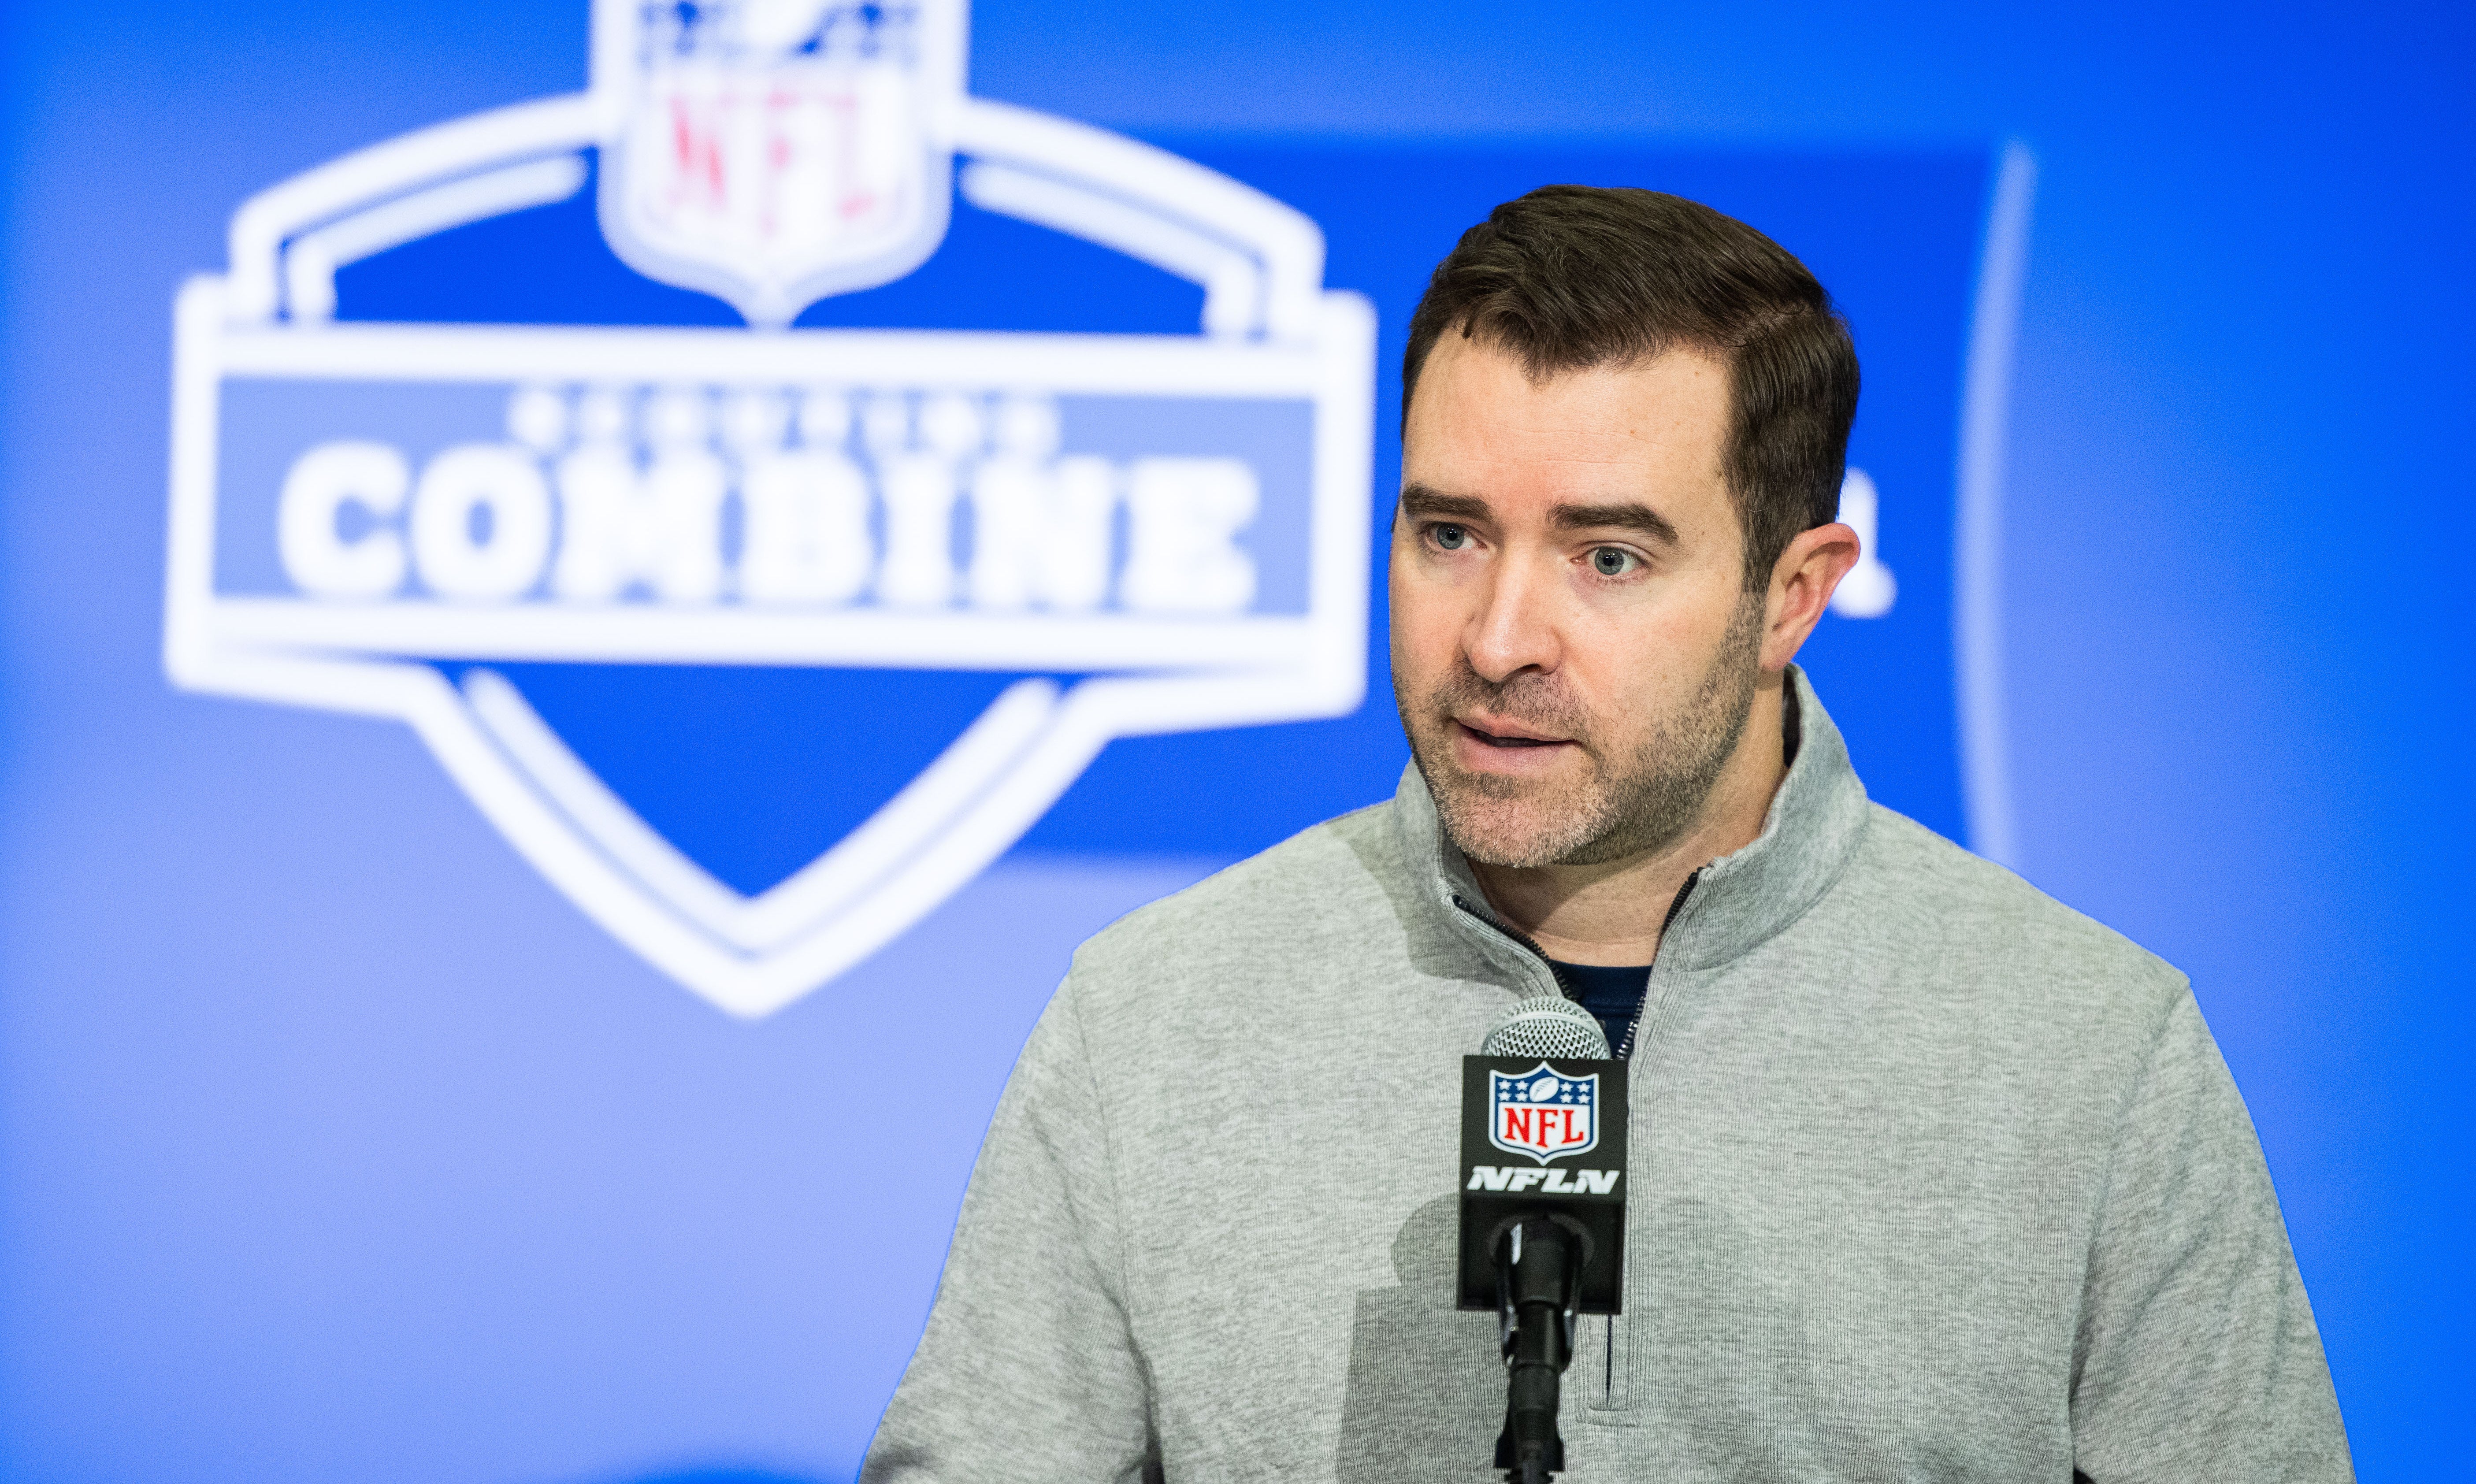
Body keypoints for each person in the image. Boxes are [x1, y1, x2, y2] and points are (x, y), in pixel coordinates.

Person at [860, 186, 2351, 1482]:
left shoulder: (2090, 1055)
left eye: (1609, 557)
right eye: (1449, 534)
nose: (1498, 637)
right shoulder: (1153, 1017)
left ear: (1793, 594)